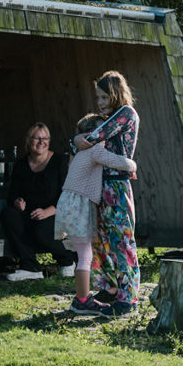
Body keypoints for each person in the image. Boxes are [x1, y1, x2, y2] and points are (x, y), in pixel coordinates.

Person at [72, 71, 141, 316]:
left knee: (122, 243)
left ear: (115, 94)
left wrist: (80, 138)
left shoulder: (126, 114)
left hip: (117, 187)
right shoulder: (106, 118)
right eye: (98, 97)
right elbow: (79, 144)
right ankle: (111, 288)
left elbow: (93, 138)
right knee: (102, 241)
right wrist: (78, 140)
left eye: (104, 97)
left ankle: (129, 298)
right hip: (100, 185)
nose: (99, 102)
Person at [56, 113, 137, 317]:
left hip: (70, 203)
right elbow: (117, 161)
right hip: (78, 205)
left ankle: (84, 297)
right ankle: (82, 301)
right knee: (85, 256)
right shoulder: (94, 150)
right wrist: (133, 165)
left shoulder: (82, 152)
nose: (106, 136)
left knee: (84, 254)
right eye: (102, 131)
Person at [0, 122, 74, 281]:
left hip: (55, 212)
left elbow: (67, 194)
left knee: (40, 232)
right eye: (37, 138)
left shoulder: (60, 161)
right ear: (29, 140)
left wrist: (48, 211)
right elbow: (12, 194)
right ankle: (31, 267)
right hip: (28, 213)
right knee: (8, 215)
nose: (41, 142)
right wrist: (16, 202)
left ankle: (67, 261)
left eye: (45, 138)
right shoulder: (21, 165)